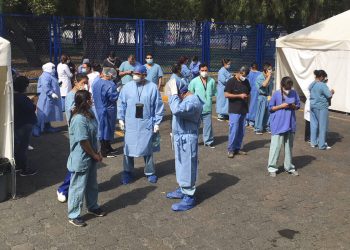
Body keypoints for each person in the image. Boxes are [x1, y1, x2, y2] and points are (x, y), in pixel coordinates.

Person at [117, 65, 164, 184]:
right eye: (134, 74)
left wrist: (157, 122)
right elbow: (121, 104)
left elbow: (158, 106)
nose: (135, 76)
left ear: (144, 75)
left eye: (138, 74)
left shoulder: (152, 87)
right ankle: (127, 172)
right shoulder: (127, 87)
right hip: (130, 123)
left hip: (146, 123)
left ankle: (150, 172)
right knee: (128, 149)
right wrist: (121, 119)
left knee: (147, 148)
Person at [67, 90, 106, 227]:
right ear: (86, 101)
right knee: (78, 187)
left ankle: (93, 206)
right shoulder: (78, 119)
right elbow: (83, 142)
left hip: (92, 156)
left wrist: (99, 151)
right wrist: (94, 154)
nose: (92, 100)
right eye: (90, 98)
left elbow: (95, 135)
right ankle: (73, 214)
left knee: (92, 184)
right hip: (82, 157)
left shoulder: (90, 114)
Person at [166, 78, 203, 211]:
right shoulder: (186, 100)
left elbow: (176, 110)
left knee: (187, 167)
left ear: (180, 92)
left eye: (174, 93)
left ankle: (189, 196)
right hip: (181, 138)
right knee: (181, 166)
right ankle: (183, 189)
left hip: (187, 138)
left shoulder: (192, 101)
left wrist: (174, 95)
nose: (172, 96)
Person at [57, 75, 89, 203]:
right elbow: (72, 115)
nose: (85, 85)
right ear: (75, 82)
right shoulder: (72, 96)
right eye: (83, 82)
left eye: (86, 83)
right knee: (76, 161)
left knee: (83, 161)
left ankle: (78, 186)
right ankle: (63, 188)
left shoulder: (82, 94)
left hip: (84, 132)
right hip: (77, 133)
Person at [267, 76, 300, 177]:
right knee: (275, 147)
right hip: (278, 124)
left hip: (290, 123)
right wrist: (281, 106)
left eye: (290, 88)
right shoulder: (276, 94)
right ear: (282, 85)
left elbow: (298, 106)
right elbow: (270, 108)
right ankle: (272, 167)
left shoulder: (294, 93)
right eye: (286, 88)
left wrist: (292, 106)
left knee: (289, 147)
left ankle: (289, 167)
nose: (288, 90)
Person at [13, 76, 38, 176]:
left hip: (18, 124)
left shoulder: (14, 96)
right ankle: (24, 168)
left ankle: (18, 166)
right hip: (24, 125)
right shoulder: (22, 98)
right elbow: (31, 109)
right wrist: (34, 102)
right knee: (22, 148)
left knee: (18, 146)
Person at [224, 66, 251, 158]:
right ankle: (231, 149)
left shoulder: (246, 82)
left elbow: (249, 93)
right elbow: (226, 94)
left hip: (243, 109)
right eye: (243, 75)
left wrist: (248, 105)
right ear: (239, 72)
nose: (244, 77)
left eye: (246, 75)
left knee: (241, 131)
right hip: (234, 110)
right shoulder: (231, 82)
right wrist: (239, 96)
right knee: (234, 130)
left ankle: (238, 148)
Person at [92, 67, 119, 158]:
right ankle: (104, 151)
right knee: (107, 129)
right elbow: (113, 97)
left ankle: (108, 147)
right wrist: (118, 91)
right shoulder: (110, 85)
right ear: (110, 75)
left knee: (103, 128)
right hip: (108, 109)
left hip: (99, 108)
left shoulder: (96, 82)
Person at [188, 63, 216, 148]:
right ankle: (193, 141)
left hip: (207, 108)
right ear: (199, 71)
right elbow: (189, 92)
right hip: (197, 108)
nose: (204, 72)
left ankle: (208, 141)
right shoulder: (194, 81)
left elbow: (214, 92)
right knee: (194, 126)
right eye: (202, 70)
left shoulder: (212, 81)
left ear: (208, 71)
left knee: (208, 126)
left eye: (205, 70)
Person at [35, 62, 63, 136]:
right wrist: (51, 93)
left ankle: (47, 127)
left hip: (49, 98)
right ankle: (38, 129)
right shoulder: (45, 76)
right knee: (43, 113)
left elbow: (51, 84)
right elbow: (45, 86)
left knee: (48, 113)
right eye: (52, 68)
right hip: (46, 98)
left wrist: (58, 84)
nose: (54, 69)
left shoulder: (50, 75)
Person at [309, 70, 334, 150]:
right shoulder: (323, 85)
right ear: (322, 77)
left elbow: (309, 88)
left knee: (313, 124)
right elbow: (329, 95)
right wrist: (332, 92)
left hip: (312, 106)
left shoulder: (313, 84)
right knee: (322, 126)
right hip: (321, 107)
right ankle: (322, 145)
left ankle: (313, 142)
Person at [254, 62, 274, 135]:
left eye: (271, 69)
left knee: (268, 113)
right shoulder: (260, 77)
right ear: (265, 70)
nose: (271, 71)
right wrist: (268, 77)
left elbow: (272, 87)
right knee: (261, 113)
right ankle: (258, 128)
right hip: (262, 96)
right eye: (269, 69)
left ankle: (267, 127)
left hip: (268, 96)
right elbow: (264, 84)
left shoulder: (271, 78)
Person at [246, 63, 261, 127]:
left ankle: (246, 120)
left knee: (247, 105)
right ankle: (252, 121)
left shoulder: (248, 73)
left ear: (251, 67)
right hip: (256, 92)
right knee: (254, 106)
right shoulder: (260, 74)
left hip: (247, 91)